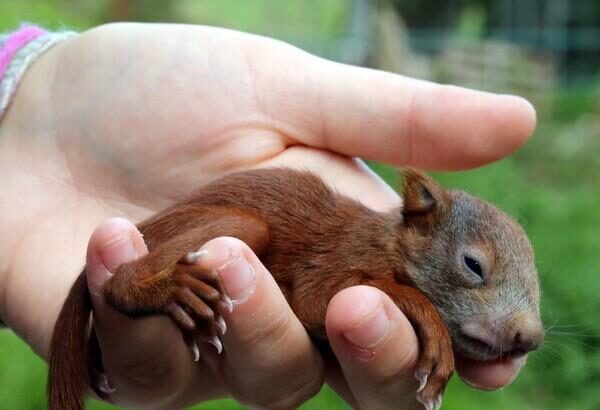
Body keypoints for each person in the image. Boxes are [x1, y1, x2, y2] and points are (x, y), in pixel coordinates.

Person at [0, 23, 536, 409]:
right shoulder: (366, 246)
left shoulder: (384, 273)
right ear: (419, 217)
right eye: (472, 270)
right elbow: (312, 304)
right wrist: (420, 310)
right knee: (244, 232)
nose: (525, 330)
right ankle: (136, 283)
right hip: (209, 225)